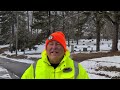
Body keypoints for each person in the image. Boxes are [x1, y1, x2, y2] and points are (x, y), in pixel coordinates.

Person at [21, 31, 89, 79]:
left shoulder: (76, 68)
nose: (54, 47)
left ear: (64, 49)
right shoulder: (34, 68)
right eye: (51, 44)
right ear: (46, 49)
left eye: (58, 44)